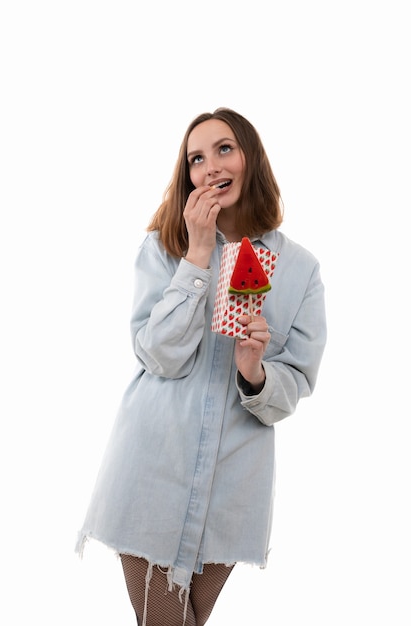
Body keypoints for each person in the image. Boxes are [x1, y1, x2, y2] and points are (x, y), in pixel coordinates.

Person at [76, 107, 327, 625]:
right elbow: (156, 355)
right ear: (186, 174)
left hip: (233, 489)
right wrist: (196, 256)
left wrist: (255, 371)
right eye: (196, 158)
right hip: (150, 470)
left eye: (224, 149)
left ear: (250, 158)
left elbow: (296, 383)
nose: (210, 166)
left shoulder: (299, 270)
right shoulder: (164, 248)